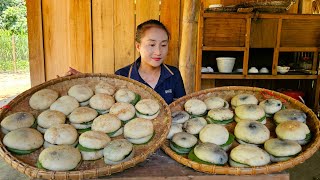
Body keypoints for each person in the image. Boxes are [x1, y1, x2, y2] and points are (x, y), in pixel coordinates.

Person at [66, 19, 186, 104]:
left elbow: (181, 107)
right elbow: (106, 99)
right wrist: (84, 80)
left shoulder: (173, 74)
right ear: (138, 46)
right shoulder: (122, 75)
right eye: (152, 44)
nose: (158, 51)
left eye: (163, 45)